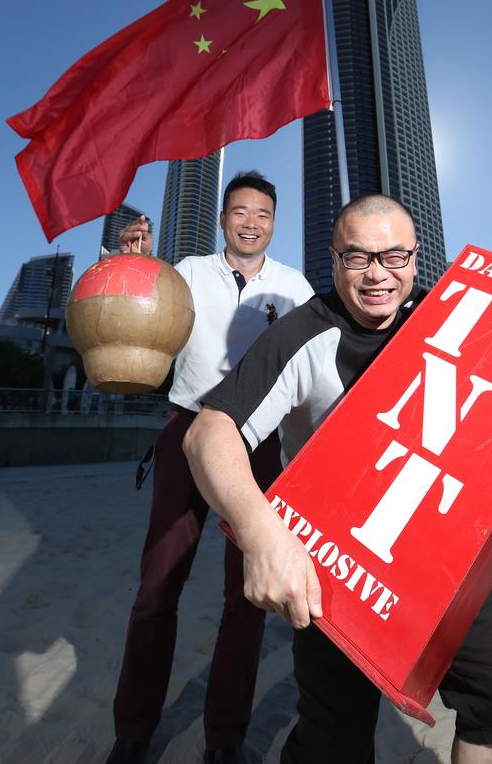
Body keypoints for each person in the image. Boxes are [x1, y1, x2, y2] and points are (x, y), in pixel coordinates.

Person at [183, 196, 492, 764]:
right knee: (334, 740)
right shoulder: (304, 331)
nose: (378, 274)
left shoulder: (444, 311)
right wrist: (262, 533)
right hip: (334, 560)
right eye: (358, 258)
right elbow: (208, 433)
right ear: (333, 262)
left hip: (437, 551)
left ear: (415, 258)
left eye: (394, 256)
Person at [106, 172, 313, 764]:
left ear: (274, 223)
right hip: (188, 430)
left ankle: (225, 738)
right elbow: (140, 303)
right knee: (156, 587)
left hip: (260, 444)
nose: (252, 222)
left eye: (263, 213)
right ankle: (133, 731)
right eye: (240, 211)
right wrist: (136, 261)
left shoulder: (293, 287)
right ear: (223, 219)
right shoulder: (188, 273)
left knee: (246, 597)